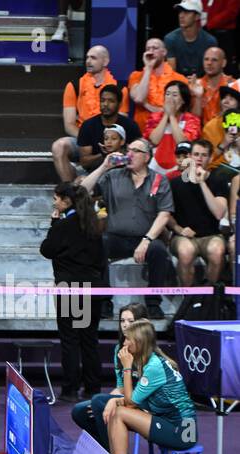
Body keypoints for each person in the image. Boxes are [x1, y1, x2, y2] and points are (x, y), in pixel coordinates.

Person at [81, 138, 175, 318]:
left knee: (159, 251)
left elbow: (164, 214)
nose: (129, 154)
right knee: (99, 244)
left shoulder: (158, 180)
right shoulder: (113, 176)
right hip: (115, 237)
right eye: (128, 150)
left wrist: (147, 240)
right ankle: (104, 301)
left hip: (145, 238)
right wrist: (103, 167)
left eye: (136, 151)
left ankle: (153, 304)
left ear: (146, 157)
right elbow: (82, 191)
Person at [41, 182, 106, 402]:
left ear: (66, 201)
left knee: (70, 339)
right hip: (90, 288)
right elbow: (100, 260)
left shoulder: (62, 225)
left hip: (69, 288)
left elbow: (46, 250)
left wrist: (53, 223)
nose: (54, 202)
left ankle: (70, 389)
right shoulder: (92, 225)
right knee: (88, 339)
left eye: (56, 198)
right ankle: (93, 388)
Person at [103, 318, 199, 454]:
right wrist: (115, 400)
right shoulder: (147, 361)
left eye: (128, 339)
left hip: (184, 432)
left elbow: (130, 403)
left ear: (139, 342)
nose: (124, 344)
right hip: (168, 421)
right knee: (116, 411)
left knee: (121, 412)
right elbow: (136, 401)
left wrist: (127, 367)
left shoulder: (154, 366)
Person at [71, 304, 146, 445]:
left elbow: (144, 392)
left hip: (145, 402)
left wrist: (110, 402)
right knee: (80, 411)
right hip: (126, 397)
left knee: (100, 402)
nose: (125, 325)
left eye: (130, 321)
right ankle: (111, 450)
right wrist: (106, 401)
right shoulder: (119, 348)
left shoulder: (149, 353)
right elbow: (120, 386)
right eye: (122, 321)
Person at [53, 46, 129, 183]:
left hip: (111, 140)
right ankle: (71, 191)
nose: (88, 61)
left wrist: (107, 140)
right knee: (59, 146)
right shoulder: (74, 86)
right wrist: (88, 139)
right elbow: (69, 125)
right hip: (82, 138)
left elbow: (122, 123)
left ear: (105, 62)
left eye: (93, 58)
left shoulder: (119, 89)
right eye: (87, 57)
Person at [168, 138, 229, 283]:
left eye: (204, 155)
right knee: (186, 251)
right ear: (189, 157)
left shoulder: (218, 181)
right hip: (183, 235)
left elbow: (219, 213)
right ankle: (189, 299)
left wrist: (202, 183)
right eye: (196, 154)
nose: (199, 159)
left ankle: (209, 296)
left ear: (210, 158)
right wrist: (179, 229)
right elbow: (165, 214)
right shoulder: (175, 183)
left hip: (211, 235)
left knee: (217, 250)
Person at [73, 85, 142, 178]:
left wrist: (117, 155)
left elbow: (138, 157)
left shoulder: (130, 126)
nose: (105, 104)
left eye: (111, 101)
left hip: (126, 174)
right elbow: (85, 162)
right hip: (95, 173)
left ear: (120, 104)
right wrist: (103, 155)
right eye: (102, 100)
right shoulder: (88, 126)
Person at [129, 38, 189, 134]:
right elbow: (139, 98)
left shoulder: (179, 79)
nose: (151, 52)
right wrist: (148, 68)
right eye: (148, 49)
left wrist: (146, 105)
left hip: (169, 131)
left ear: (164, 52)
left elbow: (177, 110)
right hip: (142, 131)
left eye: (155, 48)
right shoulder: (136, 76)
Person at [149, 80, 201, 172]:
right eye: (167, 94)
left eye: (175, 95)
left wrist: (172, 116)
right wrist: (166, 115)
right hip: (155, 166)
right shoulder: (155, 117)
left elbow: (182, 143)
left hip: (181, 167)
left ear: (183, 100)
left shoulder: (191, 120)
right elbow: (154, 140)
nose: (170, 99)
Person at [166, 0, 218, 76]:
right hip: (178, 83)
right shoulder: (170, 39)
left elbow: (212, 71)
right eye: (180, 12)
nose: (181, 16)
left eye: (186, 12)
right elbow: (171, 72)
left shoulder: (210, 41)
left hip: (202, 83)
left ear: (197, 16)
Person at [188, 45, 232, 123]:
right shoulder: (196, 85)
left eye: (214, 60)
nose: (209, 63)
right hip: (202, 132)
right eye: (206, 59)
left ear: (223, 63)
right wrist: (198, 97)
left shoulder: (233, 85)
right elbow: (194, 120)